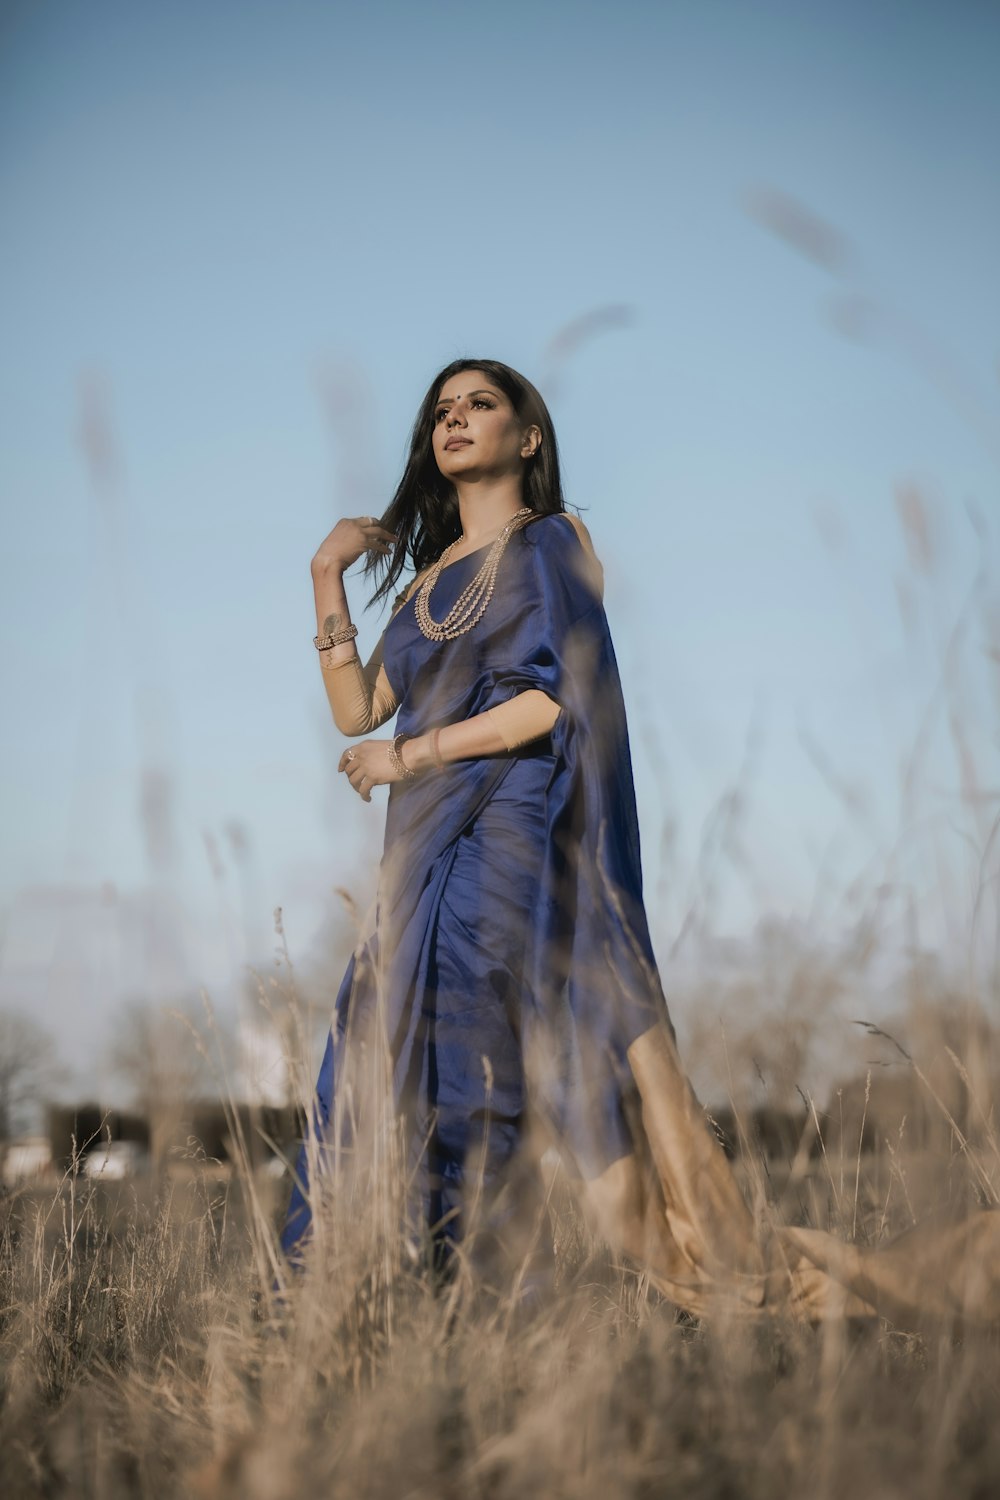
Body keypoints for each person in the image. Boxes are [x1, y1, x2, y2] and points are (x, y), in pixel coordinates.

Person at [279, 357, 1000, 1330]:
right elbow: (355, 707)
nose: (455, 419)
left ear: (526, 436)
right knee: (396, 1057)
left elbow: (548, 702)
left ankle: (510, 1279)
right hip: (420, 855)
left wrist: (415, 754)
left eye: (479, 404)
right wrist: (326, 573)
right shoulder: (422, 587)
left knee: (534, 1100)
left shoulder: (552, 546)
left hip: (512, 842)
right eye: (441, 410)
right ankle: (402, 1286)